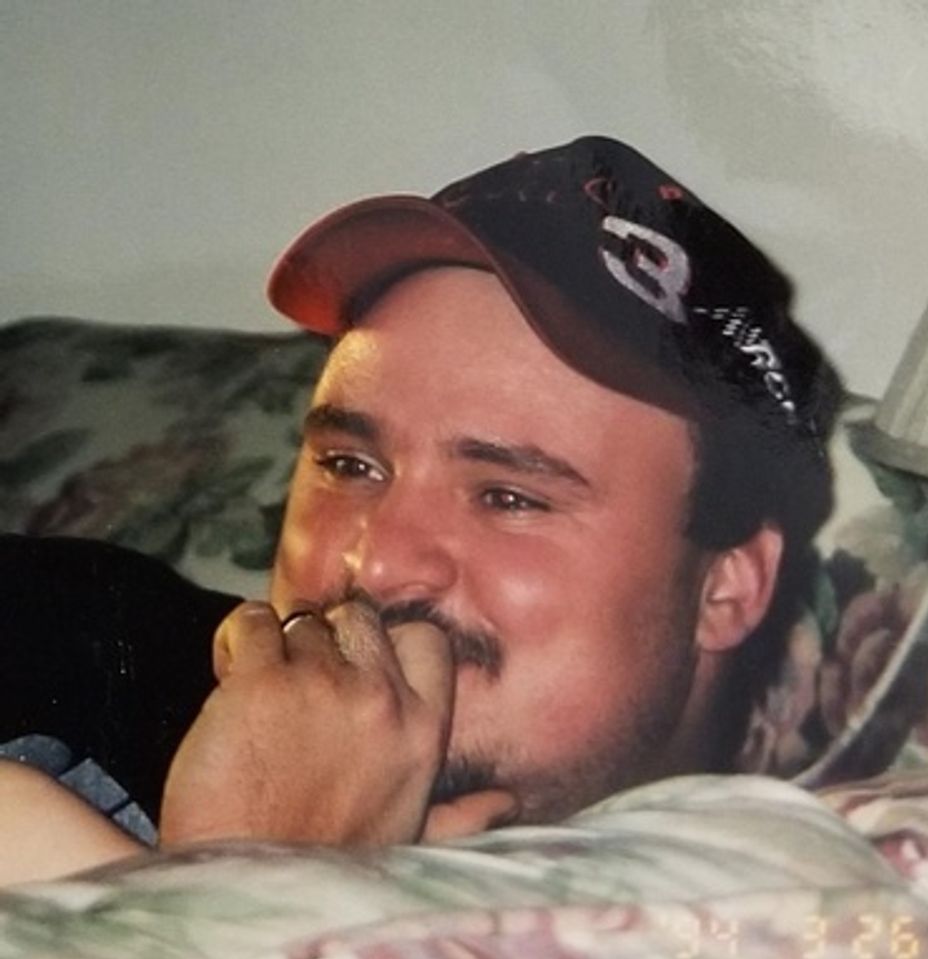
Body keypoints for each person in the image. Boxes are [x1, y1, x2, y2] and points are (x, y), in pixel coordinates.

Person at [0, 136, 841, 883]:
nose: (375, 562)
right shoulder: (74, 632)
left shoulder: (776, 925)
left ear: (726, 588)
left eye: (508, 497)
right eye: (349, 465)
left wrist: (253, 876)